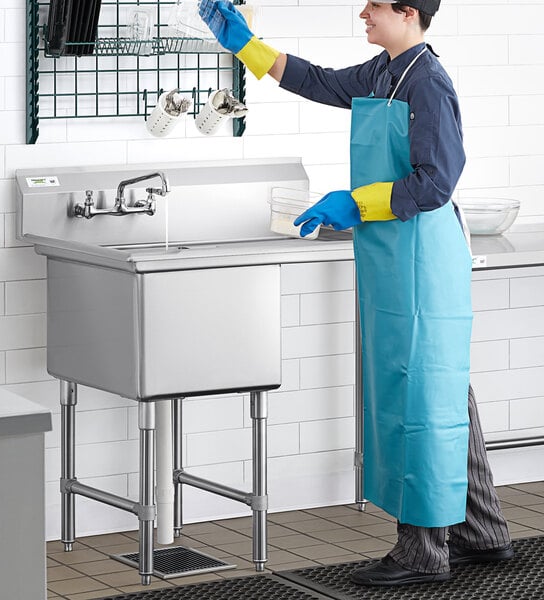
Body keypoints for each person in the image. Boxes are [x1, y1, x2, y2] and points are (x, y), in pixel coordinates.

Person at [199, 0, 515, 587]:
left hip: (423, 254)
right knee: (440, 387)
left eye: (374, 4)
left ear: (408, 12)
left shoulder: (429, 81)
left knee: (421, 394)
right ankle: (481, 529)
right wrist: (246, 43)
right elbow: (316, 80)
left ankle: (424, 551)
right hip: (395, 254)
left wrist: (356, 201)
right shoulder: (383, 71)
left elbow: (436, 182)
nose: (363, 12)